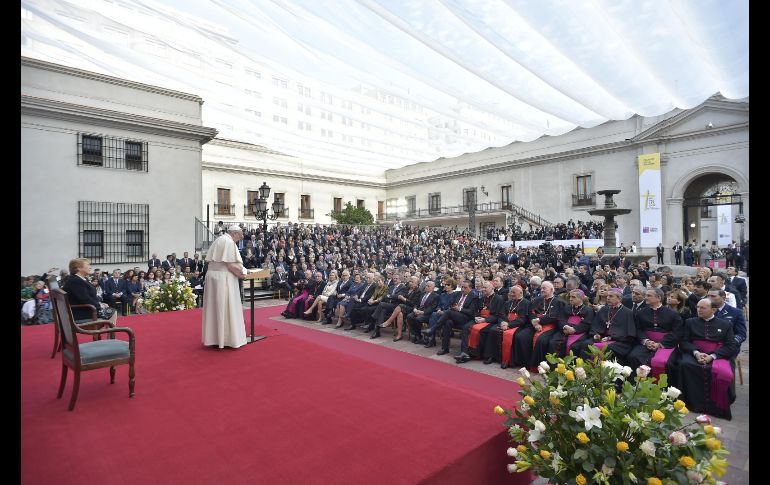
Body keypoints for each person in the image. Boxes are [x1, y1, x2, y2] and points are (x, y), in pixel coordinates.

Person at [676, 299, 737, 420]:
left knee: (723, 373)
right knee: (684, 365)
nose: (699, 310)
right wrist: (696, 353)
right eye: (698, 307)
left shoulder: (726, 325)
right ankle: (690, 403)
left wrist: (712, 356)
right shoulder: (690, 322)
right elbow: (684, 341)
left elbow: (730, 346)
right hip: (694, 353)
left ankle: (717, 407)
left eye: (703, 308)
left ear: (713, 310)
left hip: (717, 355)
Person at [201, 225, 248, 349]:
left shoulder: (219, 239)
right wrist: (243, 273)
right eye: (240, 235)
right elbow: (231, 265)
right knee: (225, 307)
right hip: (223, 278)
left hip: (213, 277)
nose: (241, 237)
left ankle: (214, 338)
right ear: (234, 233)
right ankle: (227, 340)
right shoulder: (229, 242)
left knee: (214, 308)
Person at [626, 288, 682, 379]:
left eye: (649, 295)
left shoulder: (673, 314)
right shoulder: (641, 312)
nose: (645, 297)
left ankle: (660, 387)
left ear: (659, 298)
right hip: (645, 343)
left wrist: (659, 344)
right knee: (633, 356)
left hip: (665, 344)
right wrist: (646, 341)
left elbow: (676, 332)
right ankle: (637, 385)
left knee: (665, 362)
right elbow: (638, 329)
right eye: (645, 295)